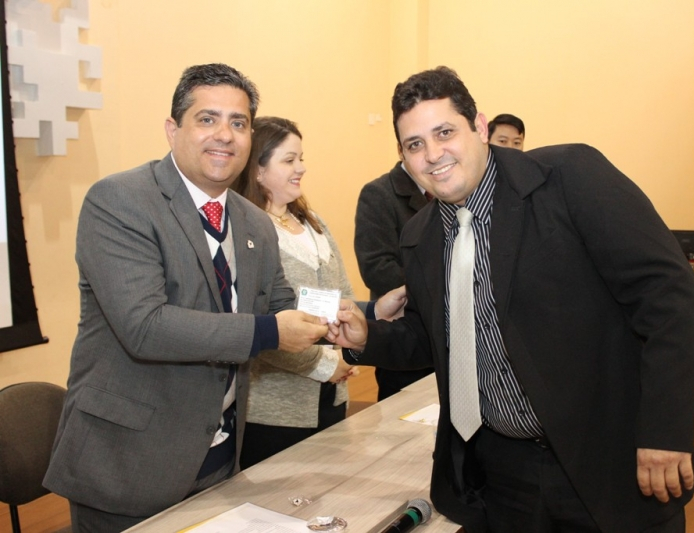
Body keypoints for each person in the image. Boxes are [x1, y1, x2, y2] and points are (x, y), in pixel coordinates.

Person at [329, 67, 694, 533]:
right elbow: (435, 339)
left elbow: (668, 295)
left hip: (609, 459)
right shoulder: (420, 237)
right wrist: (368, 337)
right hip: (504, 477)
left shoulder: (569, 177)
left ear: (479, 127)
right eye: (415, 144)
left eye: (444, 133)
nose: (433, 154)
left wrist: (665, 430)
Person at [42, 64, 332, 532]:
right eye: (207, 119)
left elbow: (281, 304)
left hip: (219, 457)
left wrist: (358, 315)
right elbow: (145, 327)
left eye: (238, 123)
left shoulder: (254, 222)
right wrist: (268, 331)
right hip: (130, 464)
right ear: (172, 129)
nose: (225, 135)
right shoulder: (119, 201)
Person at [234, 117, 357, 467]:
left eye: (300, 158)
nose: (301, 168)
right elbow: (259, 325)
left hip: (332, 392)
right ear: (258, 170)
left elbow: (343, 295)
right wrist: (324, 365)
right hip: (275, 410)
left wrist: (347, 353)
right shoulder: (247, 231)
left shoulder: (313, 222)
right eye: (289, 160)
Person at [354, 161, 434, 400]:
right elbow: (377, 267)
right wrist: (439, 289)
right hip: (404, 327)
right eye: (416, 145)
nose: (430, 155)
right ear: (401, 150)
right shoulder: (379, 193)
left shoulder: (450, 186)